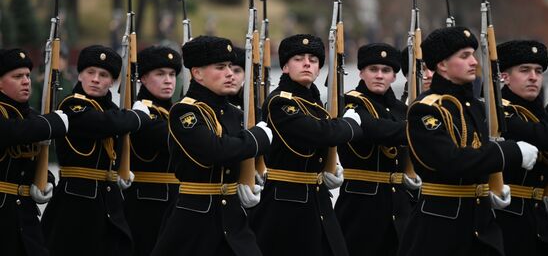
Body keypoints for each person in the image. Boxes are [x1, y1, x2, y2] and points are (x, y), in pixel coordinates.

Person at [398, 26, 539, 256]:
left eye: (473, 54)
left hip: (480, 225)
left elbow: (480, 151)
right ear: (442, 64)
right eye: (464, 56)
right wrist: (511, 153)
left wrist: (492, 187)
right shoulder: (426, 109)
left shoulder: (475, 106)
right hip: (440, 228)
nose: (474, 61)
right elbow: (451, 161)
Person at [151, 35, 272, 256]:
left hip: (233, 216)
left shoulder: (236, 113)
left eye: (231, 67)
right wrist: (258, 138)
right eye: (220, 67)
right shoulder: (185, 112)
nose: (229, 73)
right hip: (196, 217)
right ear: (197, 73)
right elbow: (215, 150)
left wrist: (249, 177)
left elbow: (242, 153)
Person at [249, 33, 363, 256]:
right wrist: (350, 125)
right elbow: (320, 133)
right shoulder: (280, 101)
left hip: (316, 197)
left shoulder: (314, 102)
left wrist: (330, 166)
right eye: (299, 58)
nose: (307, 63)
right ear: (284, 67)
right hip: (285, 202)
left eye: (313, 59)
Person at [42, 45, 152, 256]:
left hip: (108, 201)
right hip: (75, 202)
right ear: (80, 75)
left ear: (112, 82)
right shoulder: (72, 106)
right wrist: (138, 117)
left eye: (103, 75)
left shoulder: (115, 111)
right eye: (90, 72)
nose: (95, 79)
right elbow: (102, 124)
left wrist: (119, 170)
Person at [335, 43, 419, 256]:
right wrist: (422, 129)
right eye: (373, 69)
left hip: (399, 204)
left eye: (386, 70)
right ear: (361, 72)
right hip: (361, 205)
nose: (379, 75)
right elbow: (376, 129)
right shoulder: (351, 103)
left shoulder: (402, 109)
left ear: (394, 76)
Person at [0, 48, 68, 256]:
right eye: (17, 76)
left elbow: (32, 164)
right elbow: (10, 132)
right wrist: (51, 124)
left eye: (28, 76)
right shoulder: (34, 123)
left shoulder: (33, 119)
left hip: (25, 216)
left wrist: (45, 180)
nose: (26, 81)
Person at [123, 45, 182, 256]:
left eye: (172, 74)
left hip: (175, 199)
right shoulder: (142, 112)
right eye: (160, 74)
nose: (168, 80)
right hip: (147, 203)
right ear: (143, 78)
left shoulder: (172, 111)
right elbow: (174, 138)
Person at [494, 40, 548, 255]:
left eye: (538, 71)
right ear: (505, 77)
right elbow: (542, 137)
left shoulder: (539, 114)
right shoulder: (501, 113)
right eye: (524, 70)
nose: (533, 77)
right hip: (508, 216)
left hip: (538, 218)